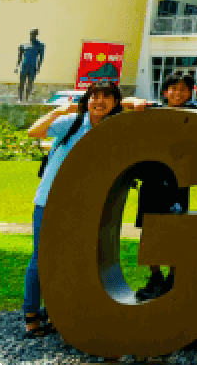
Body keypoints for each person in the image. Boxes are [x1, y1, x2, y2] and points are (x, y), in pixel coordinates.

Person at [23, 81, 144, 337]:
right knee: (40, 258)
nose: (99, 102)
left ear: (115, 102)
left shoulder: (114, 127)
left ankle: (56, 312)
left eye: (106, 98)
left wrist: (133, 103)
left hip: (81, 203)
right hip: (49, 200)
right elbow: (34, 132)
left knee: (68, 258)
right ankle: (31, 313)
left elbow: (138, 107)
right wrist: (58, 111)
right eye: (94, 97)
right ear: (86, 100)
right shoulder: (73, 122)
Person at [135, 72, 197, 301]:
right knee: (149, 232)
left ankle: (173, 278)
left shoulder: (196, 112)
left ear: (189, 93)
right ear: (165, 91)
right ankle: (155, 276)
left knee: (176, 230)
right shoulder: (154, 109)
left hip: (178, 181)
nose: (177, 93)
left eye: (183, 89)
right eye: (173, 88)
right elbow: (124, 105)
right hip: (151, 180)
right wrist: (136, 102)